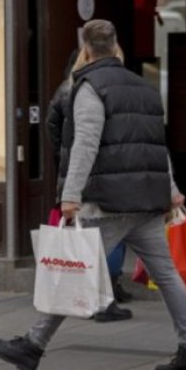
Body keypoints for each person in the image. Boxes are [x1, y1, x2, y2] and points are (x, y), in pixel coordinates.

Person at [0, 19, 186, 370]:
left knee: (72, 269)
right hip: (147, 202)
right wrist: (169, 192)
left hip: (109, 203)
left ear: (86, 49)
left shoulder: (89, 88)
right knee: (167, 275)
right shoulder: (145, 88)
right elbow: (157, 148)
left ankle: (32, 345)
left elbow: (85, 145)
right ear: (116, 47)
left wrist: (71, 195)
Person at [47, 47, 133, 323]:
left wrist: (64, 157)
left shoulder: (65, 90)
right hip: (94, 176)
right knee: (100, 241)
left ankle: (88, 298)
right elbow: (84, 139)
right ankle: (101, 298)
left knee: (86, 242)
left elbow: (54, 131)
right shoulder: (88, 91)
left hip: (76, 173)